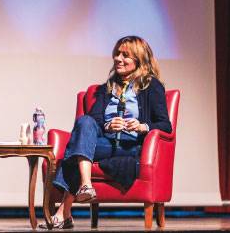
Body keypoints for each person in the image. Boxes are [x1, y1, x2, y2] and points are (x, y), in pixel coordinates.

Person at [41, 36, 172, 229]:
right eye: (117, 54)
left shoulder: (151, 86)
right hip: (105, 143)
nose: (118, 58)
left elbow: (165, 125)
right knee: (84, 121)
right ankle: (86, 185)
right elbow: (93, 119)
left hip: (131, 146)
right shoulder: (107, 87)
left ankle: (64, 212)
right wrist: (108, 126)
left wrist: (142, 126)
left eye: (125, 55)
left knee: (75, 151)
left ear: (139, 59)